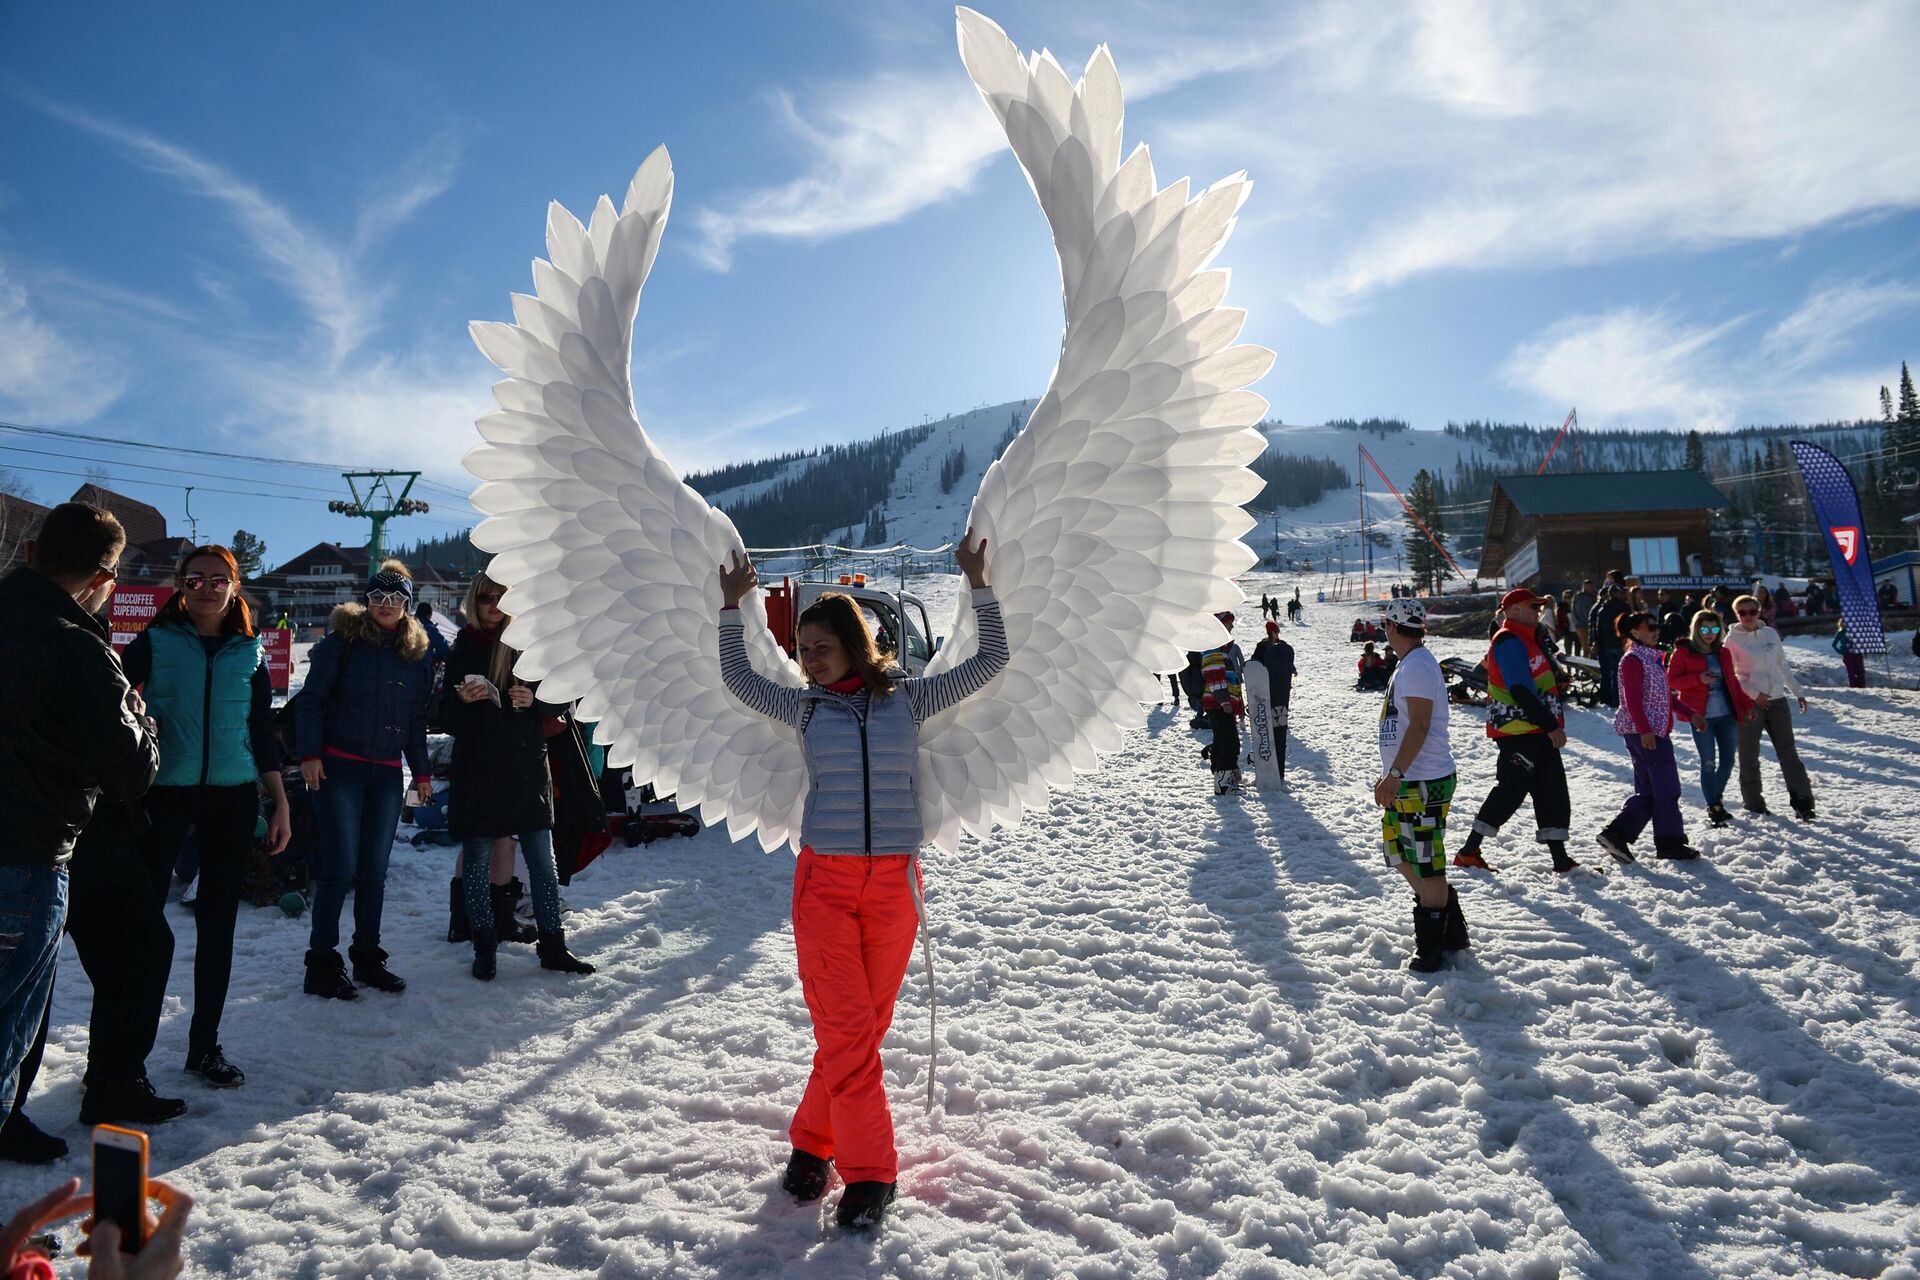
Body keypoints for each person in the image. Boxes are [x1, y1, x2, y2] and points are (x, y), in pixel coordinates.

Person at [716, 531, 1005, 1231]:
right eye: (803, 648)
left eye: (820, 646)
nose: (808, 659)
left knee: (861, 1032)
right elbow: (740, 680)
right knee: (847, 1032)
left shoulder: (908, 699)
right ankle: (872, 1173)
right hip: (825, 886)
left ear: (855, 643)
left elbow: (992, 658)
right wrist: (734, 609)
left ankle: (812, 1142)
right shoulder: (804, 707)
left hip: (896, 888)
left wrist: (978, 584)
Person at [0, 504, 159, 1138]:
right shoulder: (81, 647)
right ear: (103, 575)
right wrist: (142, 722)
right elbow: (131, 773)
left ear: (32, 552)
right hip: (26, 858)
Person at [120, 544, 290, 1091]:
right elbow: (114, 702)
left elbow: (263, 732)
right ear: (181, 584)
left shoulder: (251, 651)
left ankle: (204, 1046)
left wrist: (278, 800)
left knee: (218, 925)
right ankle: (125, 1055)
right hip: (162, 794)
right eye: (197, 579)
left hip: (233, 797)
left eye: (219, 580)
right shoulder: (154, 641)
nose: (207, 588)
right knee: (143, 929)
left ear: (234, 586)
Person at [442, 571, 597, 984]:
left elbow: (567, 696)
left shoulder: (531, 643)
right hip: (478, 770)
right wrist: (461, 698)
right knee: (476, 861)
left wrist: (535, 699)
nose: (494, 604)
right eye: (486, 597)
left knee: (543, 864)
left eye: (501, 597)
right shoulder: (463, 649)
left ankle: (553, 945)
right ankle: (484, 946)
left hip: (527, 768)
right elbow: (439, 718)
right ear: (474, 602)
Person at [295, 561, 434, 999]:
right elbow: (310, 701)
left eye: (396, 599)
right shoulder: (343, 643)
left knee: (375, 872)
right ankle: (321, 963)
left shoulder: (415, 655)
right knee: (338, 867)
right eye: (378, 597)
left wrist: (423, 771)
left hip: (387, 774)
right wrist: (310, 755)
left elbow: (415, 720)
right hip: (339, 769)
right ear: (366, 600)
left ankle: (368, 958)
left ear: (408, 606)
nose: (386, 606)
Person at [1455, 588, 1576, 874]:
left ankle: (1560, 860)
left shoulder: (1531, 638)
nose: (1539, 610)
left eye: (1540, 605)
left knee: (1552, 790)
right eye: (1533, 605)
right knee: (1511, 791)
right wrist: (1550, 725)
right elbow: (1520, 689)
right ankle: (1469, 851)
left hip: (1536, 729)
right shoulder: (1508, 639)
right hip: (1518, 730)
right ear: (1515, 609)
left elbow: (1535, 681)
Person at [1371, 598, 1463, 973]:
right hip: (1408, 778)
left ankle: (1432, 949)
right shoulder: (1409, 664)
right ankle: (1449, 923)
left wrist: (1395, 774)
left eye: (1385, 626)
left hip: (1421, 780)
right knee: (1397, 853)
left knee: (1427, 866)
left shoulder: (1418, 666)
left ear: (1393, 627)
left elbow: (1420, 725)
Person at [1596, 611, 1701, 862]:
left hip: (1650, 732)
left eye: (1657, 626)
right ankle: (1669, 842)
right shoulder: (1633, 660)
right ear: (1634, 632)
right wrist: (1645, 731)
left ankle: (1617, 835)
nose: (1656, 631)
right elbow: (1632, 700)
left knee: (1650, 791)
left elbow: (1665, 696)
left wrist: (1690, 714)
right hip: (1646, 733)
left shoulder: (1652, 659)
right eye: (1649, 627)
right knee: (1666, 788)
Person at [1723, 593, 1815, 820]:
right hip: (1750, 704)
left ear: (1759, 612)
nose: (1747, 616)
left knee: (1788, 753)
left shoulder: (1771, 634)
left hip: (1777, 701)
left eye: (1751, 611)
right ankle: (1754, 803)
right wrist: (1754, 695)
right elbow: (1730, 676)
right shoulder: (1732, 639)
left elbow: (1782, 666)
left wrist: (1798, 692)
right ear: (1736, 614)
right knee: (1749, 755)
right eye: (1742, 612)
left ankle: (1803, 802)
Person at [1665, 610, 1754, 828]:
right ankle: (1714, 806)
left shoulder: (1722, 653)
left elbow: (1732, 683)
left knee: (1728, 761)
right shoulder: (1684, 652)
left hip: (1726, 714)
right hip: (1701, 716)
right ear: (1697, 629)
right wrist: (1699, 679)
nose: (1710, 634)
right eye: (1704, 629)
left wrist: (1747, 704)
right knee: (1708, 763)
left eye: (1714, 629)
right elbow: (1671, 681)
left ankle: (1715, 799)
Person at [1200, 613, 1245, 794]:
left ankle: (1223, 779)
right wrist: (1224, 700)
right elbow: (1213, 674)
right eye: (1228, 624)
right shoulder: (1214, 647)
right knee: (1229, 743)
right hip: (1218, 704)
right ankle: (1224, 784)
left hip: (1222, 704)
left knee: (1223, 741)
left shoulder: (1223, 648)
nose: (1231, 628)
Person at [1251, 620, 1295, 777]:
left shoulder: (1283, 646)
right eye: (1273, 631)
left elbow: (1287, 662)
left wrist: (1292, 670)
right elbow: (1254, 663)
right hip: (1266, 687)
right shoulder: (1262, 646)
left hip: (1281, 687)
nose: (1275, 634)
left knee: (1279, 716)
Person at [1589, 584, 1630, 707]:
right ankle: (1621, 700)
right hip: (1621, 644)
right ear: (1617, 594)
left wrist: (1597, 643)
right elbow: (1629, 625)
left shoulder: (1602, 609)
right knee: (1623, 674)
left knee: (1612, 673)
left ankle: (1610, 698)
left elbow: (1598, 629)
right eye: (1620, 593)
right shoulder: (1624, 607)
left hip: (1607, 646)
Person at [1832, 616, 1866, 688]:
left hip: (1857, 654)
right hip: (1847, 655)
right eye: (1844, 622)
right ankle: (1853, 687)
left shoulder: (1856, 631)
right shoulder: (1840, 633)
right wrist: (1841, 651)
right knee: (1851, 672)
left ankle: (1862, 686)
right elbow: (1834, 644)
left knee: (1860, 671)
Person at [1571, 579, 1597, 658]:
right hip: (1585, 626)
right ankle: (1588, 668)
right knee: (1589, 649)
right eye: (1591, 587)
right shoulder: (1585, 599)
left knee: (1586, 649)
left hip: (1579, 625)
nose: (1593, 589)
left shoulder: (1577, 598)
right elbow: (1588, 614)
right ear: (1585, 587)